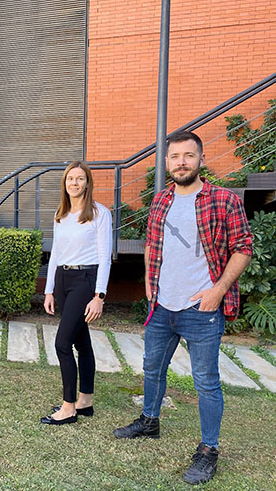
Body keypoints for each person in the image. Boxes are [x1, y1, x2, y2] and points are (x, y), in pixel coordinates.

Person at [113, 131, 252, 485]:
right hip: (162, 306)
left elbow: (243, 248)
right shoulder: (160, 200)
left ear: (200, 160)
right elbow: (151, 244)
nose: (181, 162)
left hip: (202, 309)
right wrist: (148, 281)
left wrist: (218, 291)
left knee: (205, 381)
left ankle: (208, 450)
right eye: (175, 157)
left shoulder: (223, 200)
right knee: (151, 368)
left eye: (188, 156)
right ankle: (149, 420)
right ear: (167, 162)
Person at [41, 161, 112, 424]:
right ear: (65, 183)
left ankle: (68, 407)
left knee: (62, 343)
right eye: (70, 179)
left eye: (80, 179)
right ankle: (86, 401)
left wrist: (99, 295)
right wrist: (49, 290)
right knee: (82, 343)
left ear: (87, 183)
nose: (74, 183)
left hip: (86, 279)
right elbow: (56, 253)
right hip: (63, 279)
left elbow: (105, 257)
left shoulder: (100, 213)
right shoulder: (61, 214)